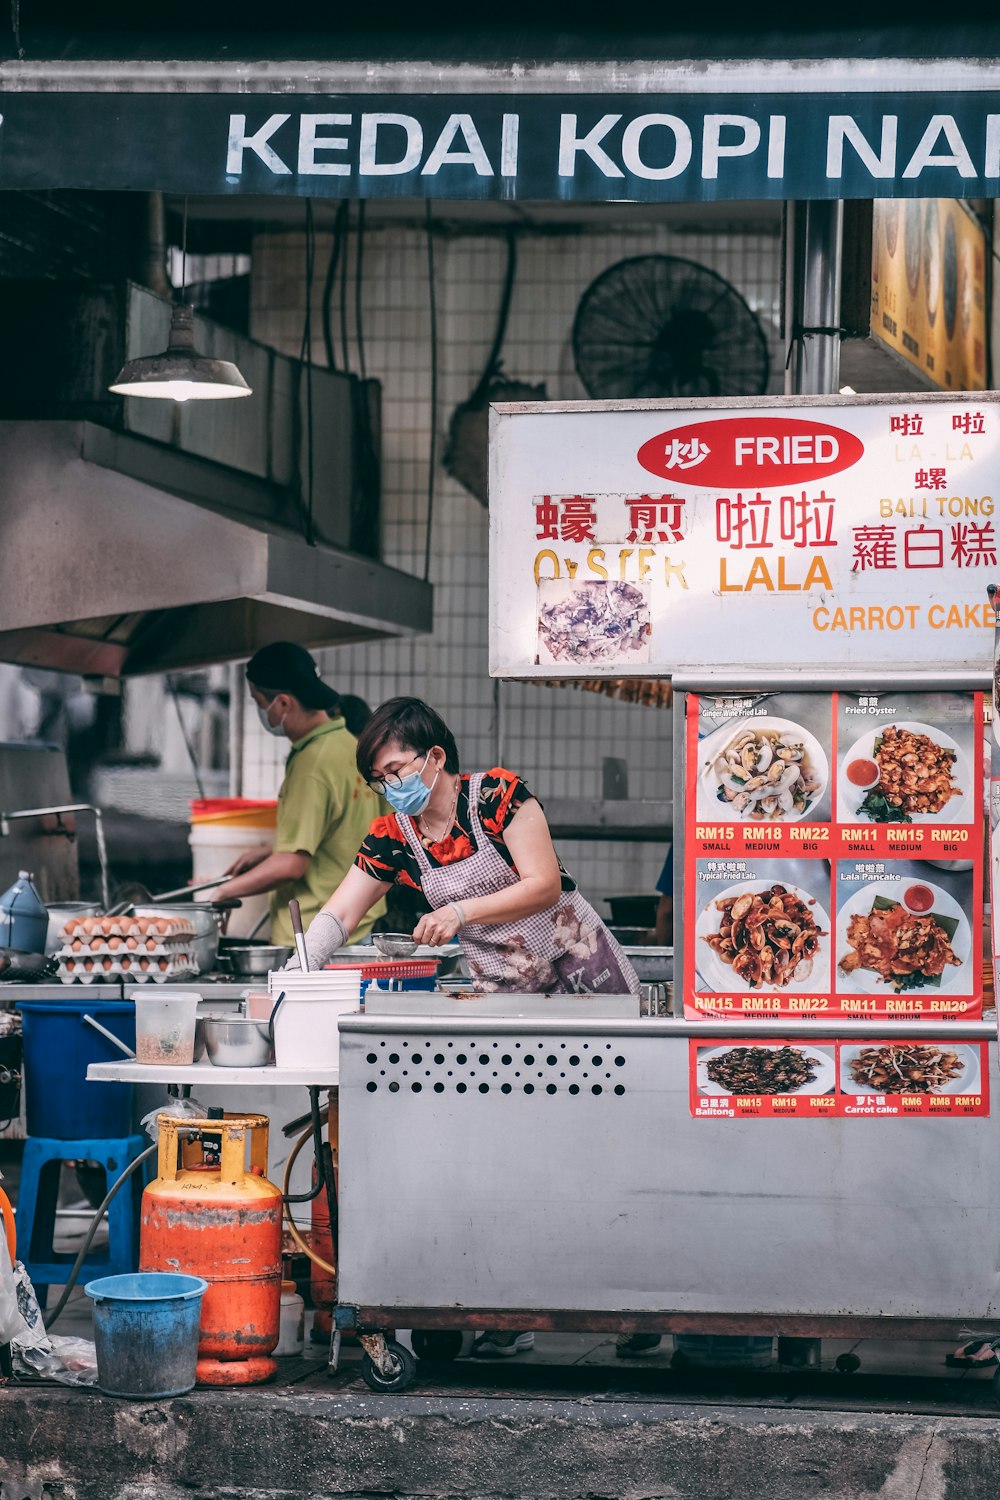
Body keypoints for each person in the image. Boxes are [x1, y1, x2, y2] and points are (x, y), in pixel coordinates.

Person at [290, 696, 640, 1357]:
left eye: (398, 770)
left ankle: (633, 1301)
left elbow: (541, 883)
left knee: (607, 1143)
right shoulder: (394, 836)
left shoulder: (500, 797)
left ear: (435, 759)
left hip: (582, 979)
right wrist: (297, 970)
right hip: (506, 1002)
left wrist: (460, 913)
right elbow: (339, 914)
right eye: (381, 778)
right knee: (518, 1154)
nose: (392, 786)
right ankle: (515, 1307)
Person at [211, 642, 384, 948]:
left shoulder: (311, 764)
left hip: (317, 936)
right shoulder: (349, 745)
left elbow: (292, 865)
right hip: (359, 924)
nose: (261, 712)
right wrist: (271, 853)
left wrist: (225, 892)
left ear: (282, 704)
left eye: (258, 702)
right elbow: (342, 832)